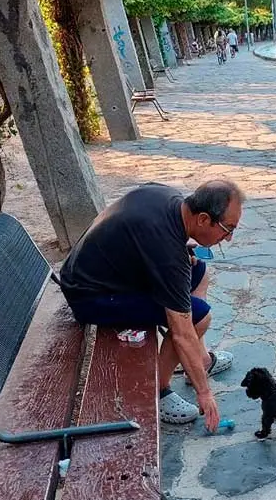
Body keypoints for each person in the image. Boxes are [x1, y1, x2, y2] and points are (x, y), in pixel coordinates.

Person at [59, 181, 245, 432]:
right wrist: (205, 393)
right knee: (198, 317)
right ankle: (157, 390)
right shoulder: (167, 252)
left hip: (97, 275)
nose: (229, 238)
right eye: (227, 229)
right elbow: (182, 329)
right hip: (92, 297)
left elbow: (144, 240)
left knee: (198, 270)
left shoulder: (169, 198)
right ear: (203, 219)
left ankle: (198, 361)